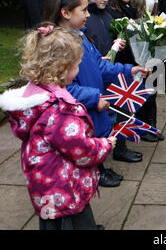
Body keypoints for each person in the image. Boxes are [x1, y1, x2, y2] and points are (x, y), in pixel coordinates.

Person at [0, 25, 116, 229]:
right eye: (77, 65)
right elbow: (81, 149)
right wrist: (105, 144)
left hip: (45, 185)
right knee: (74, 222)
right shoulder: (60, 111)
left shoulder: (35, 97)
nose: (79, 70)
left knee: (50, 222)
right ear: (63, 68)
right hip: (65, 190)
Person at [42, 0, 149, 186]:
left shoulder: (80, 36)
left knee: (95, 143)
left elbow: (99, 65)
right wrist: (94, 98)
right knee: (82, 155)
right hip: (79, 112)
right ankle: (93, 175)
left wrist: (128, 70)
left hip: (92, 107)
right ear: (65, 12)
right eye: (83, 10)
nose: (88, 15)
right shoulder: (58, 45)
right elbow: (60, 88)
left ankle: (97, 171)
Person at [107, 0, 163, 143]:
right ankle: (130, 134)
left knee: (149, 92)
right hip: (122, 62)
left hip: (138, 59)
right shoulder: (110, 13)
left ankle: (149, 127)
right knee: (127, 100)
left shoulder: (129, 10)